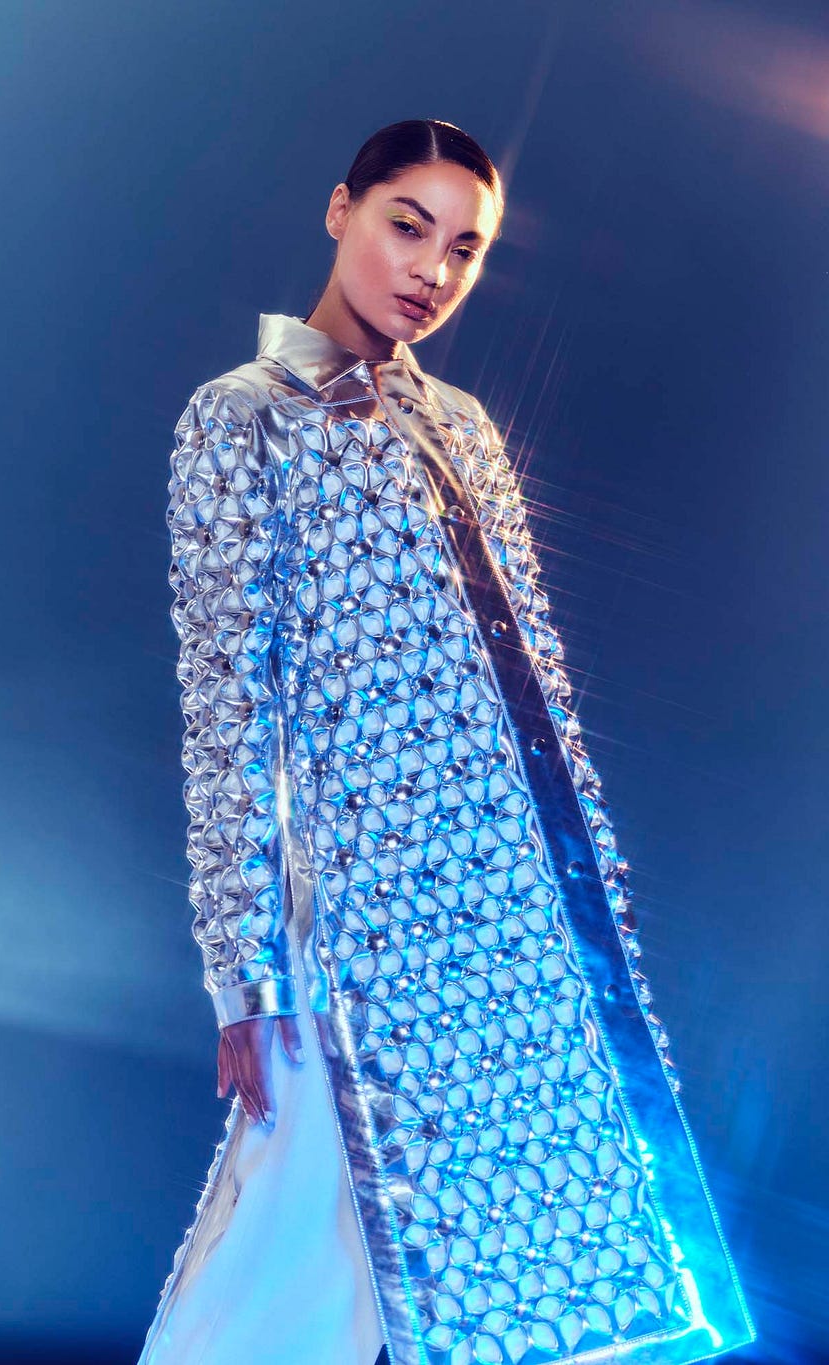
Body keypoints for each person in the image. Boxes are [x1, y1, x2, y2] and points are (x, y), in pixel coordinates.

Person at [137, 119, 753, 1365]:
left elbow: (537, 681)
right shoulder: (238, 420)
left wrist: (586, 922)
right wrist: (241, 970)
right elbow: (224, 704)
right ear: (339, 211)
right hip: (352, 916)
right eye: (404, 225)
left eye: (465, 249)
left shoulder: (463, 425)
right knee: (287, 1239)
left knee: (500, 1252)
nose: (431, 269)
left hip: (504, 920)